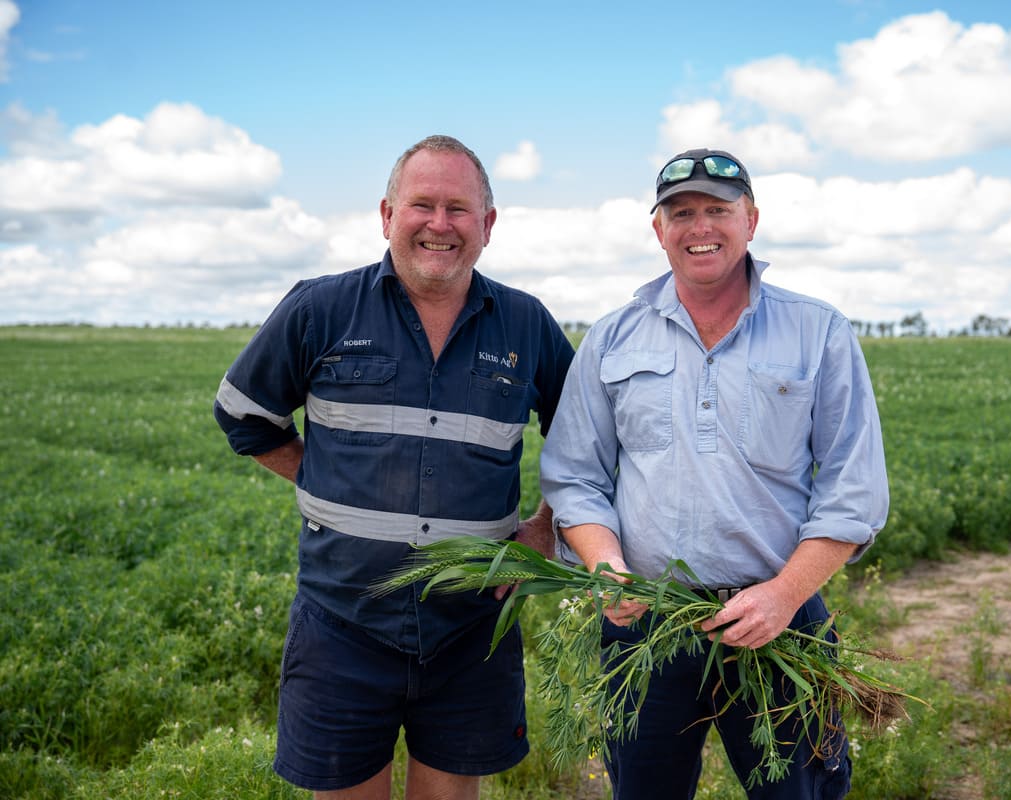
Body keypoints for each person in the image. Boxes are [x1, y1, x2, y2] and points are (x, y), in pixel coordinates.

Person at [214, 135, 575, 800]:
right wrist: (321, 477)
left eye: (459, 209)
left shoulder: (525, 326)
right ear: (387, 215)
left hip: (470, 628)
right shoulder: (320, 310)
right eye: (423, 205)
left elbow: (582, 436)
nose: (440, 225)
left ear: (487, 226)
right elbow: (243, 414)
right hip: (342, 623)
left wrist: (545, 525)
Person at [539, 148, 888, 800]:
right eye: (681, 213)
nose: (700, 227)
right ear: (658, 230)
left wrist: (783, 596)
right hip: (646, 624)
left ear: (750, 219)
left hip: (779, 625)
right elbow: (573, 476)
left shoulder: (818, 333)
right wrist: (606, 567)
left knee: (799, 793)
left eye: (717, 211)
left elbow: (854, 492)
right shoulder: (614, 338)